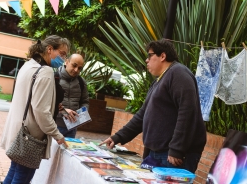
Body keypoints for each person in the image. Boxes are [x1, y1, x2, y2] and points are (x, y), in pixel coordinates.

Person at [100, 39, 207, 173]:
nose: (146, 60)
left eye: (150, 55)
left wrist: (177, 149)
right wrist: (118, 137)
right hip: (157, 153)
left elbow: (187, 111)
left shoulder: (178, 73)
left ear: (163, 56)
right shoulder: (159, 80)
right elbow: (142, 115)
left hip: (172, 156)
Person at [0, 35, 71, 184]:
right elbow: (41, 111)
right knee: (22, 178)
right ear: (50, 49)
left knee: (14, 172)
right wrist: (57, 134)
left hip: (19, 132)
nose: (64, 59)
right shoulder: (45, 72)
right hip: (30, 137)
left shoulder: (29, 65)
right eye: (62, 53)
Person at [55, 53, 89, 138]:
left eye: (79, 68)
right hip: (55, 126)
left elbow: (85, 102)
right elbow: (48, 103)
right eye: (74, 65)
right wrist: (64, 112)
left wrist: (81, 115)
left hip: (72, 128)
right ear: (66, 62)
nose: (76, 70)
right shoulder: (54, 78)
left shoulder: (81, 82)